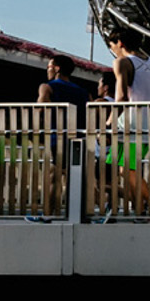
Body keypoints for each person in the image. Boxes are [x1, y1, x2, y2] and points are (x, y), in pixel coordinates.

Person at [106, 29, 150, 218]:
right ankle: (141, 209)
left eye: (112, 46)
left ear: (120, 43)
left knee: (127, 169)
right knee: (129, 169)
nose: (113, 50)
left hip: (130, 124)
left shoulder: (122, 62)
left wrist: (109, 122)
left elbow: (121, 96)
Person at [36, 54, 92, 218]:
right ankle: (77, 213)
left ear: (57, 68)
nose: (48, 70)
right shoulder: (83, 92)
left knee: (54, 178)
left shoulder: (47, 87)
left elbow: (40, 109)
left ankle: (48, 214)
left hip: (57, 138)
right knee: (75, 178)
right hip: (79, 139)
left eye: (49, 67)